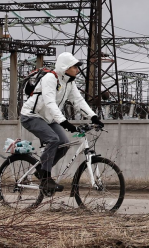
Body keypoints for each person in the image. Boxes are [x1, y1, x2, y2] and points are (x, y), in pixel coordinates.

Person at [19, 52, 104, 194]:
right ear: (65, 67)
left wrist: (93, 116)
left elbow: (78, 101)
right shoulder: (50, 79)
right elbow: (50, 103)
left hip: (48, 118)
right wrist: (64, 122)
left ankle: (41, 171)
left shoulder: (69, 82)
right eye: (75, 66)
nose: (77, 69)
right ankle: (46, 178)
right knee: (53, 139)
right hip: (31, 116)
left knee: (63, 143)